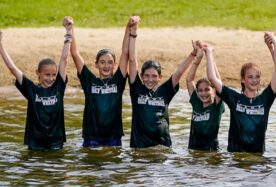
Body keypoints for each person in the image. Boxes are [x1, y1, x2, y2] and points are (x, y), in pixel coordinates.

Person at [0, 18, 72, 150]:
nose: (50, 78)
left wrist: (68, 32)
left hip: (56, 143)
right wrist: (0, 45)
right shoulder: (31, 89)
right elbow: (12, 68)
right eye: (47, 75)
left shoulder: (59, 87)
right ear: (38, 73)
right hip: (35, 144)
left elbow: (64, 59)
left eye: (53, 75)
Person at [205, 32, 276, 153]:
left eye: (257, 77)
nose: (254, 80)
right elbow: (212, 78)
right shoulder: (234, 98)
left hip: (257, 159)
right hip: (236, 159)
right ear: (243, 79)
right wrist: (209, 52)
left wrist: (274, 45)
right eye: (250, 77)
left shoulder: (265, 99)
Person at [128, 17, 198, 148]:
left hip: (162, 148)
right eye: (146, 76)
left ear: (160, 77)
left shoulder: (164, 91)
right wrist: (133, 33)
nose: (150, 79)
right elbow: (132, 60)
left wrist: (193, 54)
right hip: (140, 148)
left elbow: (179, 72)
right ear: (141, 76)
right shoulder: (136, 88)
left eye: (154, 76)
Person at [69, 16, 137, 148]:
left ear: (114, 65)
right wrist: (70, 29)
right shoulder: (89, 81)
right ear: (96, 64)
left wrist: (128, 28)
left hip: (113, 137)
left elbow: (125, 53)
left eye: (110, 62)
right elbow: (75, 54)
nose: (106, 66)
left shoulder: (118, 80)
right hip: (91, 137)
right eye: (102, 62)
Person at [186, 41, 224, 151]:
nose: (203, 93)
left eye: (207, 89)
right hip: (193, 151)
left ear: (213, 91)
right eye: (200, 91)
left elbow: (218, 82)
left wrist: (209, 55)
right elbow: (189, 80)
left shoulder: (217, 106)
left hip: (211, 152)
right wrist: (198, 57)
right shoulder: (196, 103)